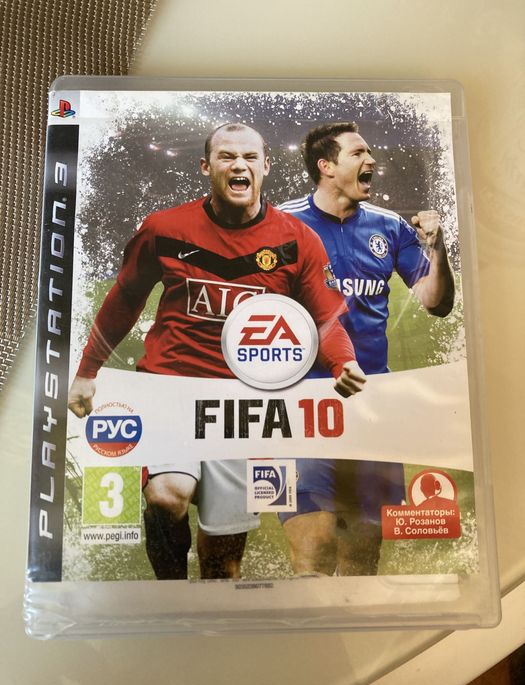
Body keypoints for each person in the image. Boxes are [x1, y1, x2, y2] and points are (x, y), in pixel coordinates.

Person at [67, 122, 366, 580]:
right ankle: (170, 594)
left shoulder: (297, 240)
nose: (239, 165)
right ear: (207, 167)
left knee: (222, 565)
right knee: (167, 495)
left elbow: (325, 319)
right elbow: (125, 299)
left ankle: (208, 604)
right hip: (170, 389)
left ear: (266, 166)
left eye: (249, 157)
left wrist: (343, 361)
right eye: (227, 156)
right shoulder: (164, 229)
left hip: (246, 405)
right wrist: (88, 371)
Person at [279, 121, 454, 576]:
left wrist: (437, 248)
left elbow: (435, 302)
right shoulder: (281, 224)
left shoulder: (388, 226)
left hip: (373, 402)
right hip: (304, 402)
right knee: (315, 545)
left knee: (362, 552)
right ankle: (307, 621)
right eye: (358, 153)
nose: (371, 160)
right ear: (326, 166)